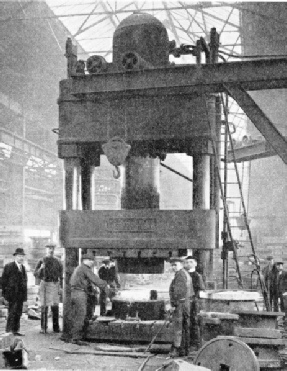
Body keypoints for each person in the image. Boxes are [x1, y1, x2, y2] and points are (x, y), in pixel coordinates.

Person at [69, 253, 108, 345]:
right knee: (81, 315)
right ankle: (75, 339)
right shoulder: (84, 268)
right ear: (85, 260)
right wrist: (106, 285)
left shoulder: (79, 268)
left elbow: (88, 282)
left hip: (76, 293)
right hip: (79, 294)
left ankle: (77, 336)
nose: (92, 262)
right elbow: (94, 279)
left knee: (79, 315)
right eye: (90, 260)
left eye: (92, 260)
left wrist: (93, 290)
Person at [34, 243, 63, 333]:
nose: (51, 250)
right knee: (44, 307)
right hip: (45, 284)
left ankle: (56, 328)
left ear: (54, 250)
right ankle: (43, 328)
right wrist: (41, 269)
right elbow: (35, 274)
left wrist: (60, 287)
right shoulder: (41, 261)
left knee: (55, 307)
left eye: (52, 248)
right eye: (49, 248)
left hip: (54, 284)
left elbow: (61, 275)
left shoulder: (58, 261)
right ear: (46, 250)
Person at [169, 257, 191, 358]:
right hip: (184, 304)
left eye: (175, 265)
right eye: (172, 265)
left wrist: (174, 305)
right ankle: (184, 350)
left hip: (180, 305)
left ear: (181, 265)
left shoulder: (180, 275)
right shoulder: (184, 273)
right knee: (184, 327)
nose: (173, 267)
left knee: (178, 327)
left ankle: (177, 350)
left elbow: (179, 292)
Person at [2, 248, 27, 336]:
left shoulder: (23, 268)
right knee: (11, 312)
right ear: (15, 257)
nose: (21, 258)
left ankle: (15, 330)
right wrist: (4, 296)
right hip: (11, 295)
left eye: (22, 256)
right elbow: (3, 281)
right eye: (19, 256)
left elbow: (25, 282)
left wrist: (25, 297)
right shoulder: (9, 266)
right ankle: (8, 331)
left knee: (18, 313)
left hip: (20, 295)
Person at [184, 256, 205, 351]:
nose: (189, 264)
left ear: (195, 263)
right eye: (187, 262)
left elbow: (200, 290)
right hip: (185, 302)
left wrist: (195, 300)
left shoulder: (197, 276)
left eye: (191, 262)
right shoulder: (183, 275)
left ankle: (195, 344)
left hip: (194, 303)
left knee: (194, 322)